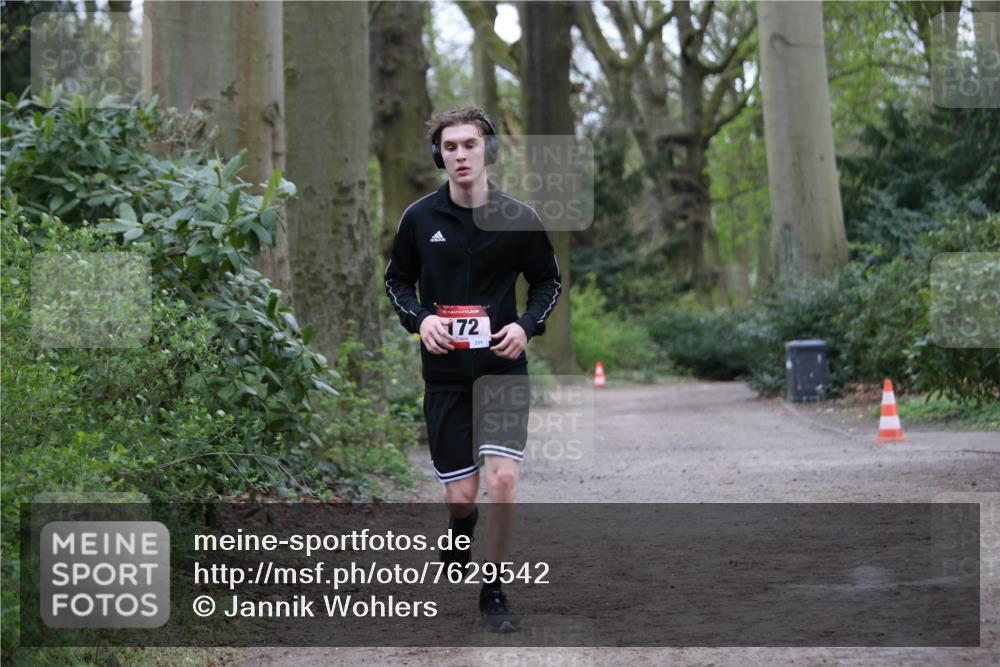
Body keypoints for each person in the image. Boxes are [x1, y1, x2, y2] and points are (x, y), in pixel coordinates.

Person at [384, 106, 561, 632]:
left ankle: (495, 590)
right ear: (440, 155)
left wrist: (526, 326)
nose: (461, 154)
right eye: (451, 146)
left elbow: (548, 282)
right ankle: (462, 528)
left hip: (503, 370)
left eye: (470, 144)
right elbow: (397, 282)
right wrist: (420, 321)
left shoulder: (519, 217)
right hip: (445, 378)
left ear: (488, 150)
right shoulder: (419, 218)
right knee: (461, 496)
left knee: (503, 479)